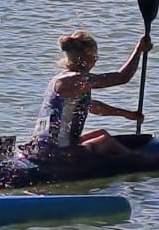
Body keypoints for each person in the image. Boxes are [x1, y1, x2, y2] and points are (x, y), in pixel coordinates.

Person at [24, 29, 152, 163]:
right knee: (105, 141)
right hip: (54, 153)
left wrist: (128, 114)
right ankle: (142, 162)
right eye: (95, 56)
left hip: (45, 146)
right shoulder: (75, 80)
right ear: (86, 57)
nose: (96, 61)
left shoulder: (62, 78)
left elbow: (91, 106)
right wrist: (139, 50)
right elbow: (122, 77)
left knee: (101, 133)